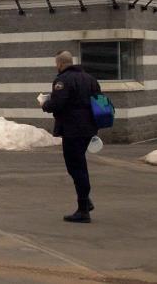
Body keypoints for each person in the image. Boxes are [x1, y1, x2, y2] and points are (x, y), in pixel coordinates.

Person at [40, 50, 101, 223]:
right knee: (79, 164)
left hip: (72, 129)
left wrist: (45, 104)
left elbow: (58, 104)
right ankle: (85, 201)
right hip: (89, 128)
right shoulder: (90, 79)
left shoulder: (62, 80)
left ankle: (83, 209)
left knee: (76, 167)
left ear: (59, 64)